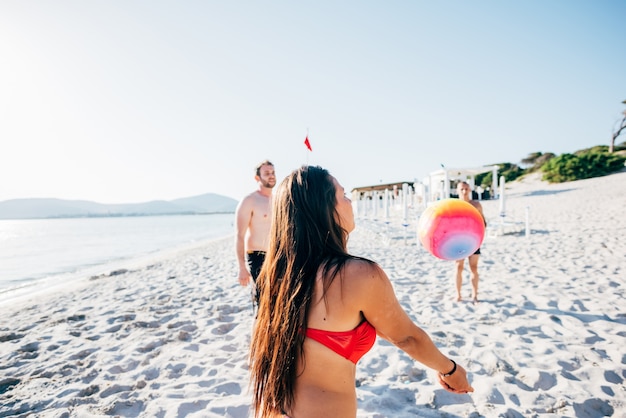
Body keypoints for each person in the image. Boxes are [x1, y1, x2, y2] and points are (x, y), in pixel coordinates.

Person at [249, 165, 474, 418]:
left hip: (273, 410)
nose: (350, 201)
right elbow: (407, 337)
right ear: (325, 209)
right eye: (343, 195)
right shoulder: (357, 274)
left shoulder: (276, 274)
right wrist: (450, 370)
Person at [235, 160, 276, 312]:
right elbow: (239, 235)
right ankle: (258, 335)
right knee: (263, 304)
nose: (271, 176)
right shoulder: (250, 201)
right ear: (257, 178)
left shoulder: (277, 199)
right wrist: (241, 267)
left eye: (272, 172)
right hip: (258, 256)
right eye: (266, 173)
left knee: (278, 302)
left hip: (277, 255)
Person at [455, 181, 487, 303]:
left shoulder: (476, 205)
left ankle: (475, 295)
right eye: (462, 189)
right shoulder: (454, 205)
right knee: (459, 267)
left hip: (473, 240)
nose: (464, 191)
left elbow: (483, 223)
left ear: (470, 190)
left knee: (474, 267)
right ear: (457, 191)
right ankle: (458, 295)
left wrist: (479, 238)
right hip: (457, 241)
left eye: (466, 189)